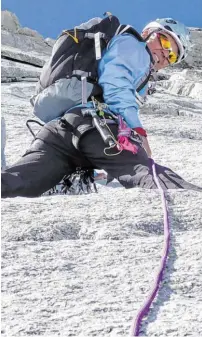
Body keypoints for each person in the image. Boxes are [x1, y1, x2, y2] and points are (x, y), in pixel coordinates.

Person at [1, 17, 201, 198]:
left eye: (174, 56)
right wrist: (139, 131)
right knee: (143, 170)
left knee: (18, 179)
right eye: (166, 42)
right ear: (148, 33)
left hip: (59, 130)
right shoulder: (136, 47)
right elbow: (116, 85)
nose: (166, 54)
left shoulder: (133, 58)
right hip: (96, 126)